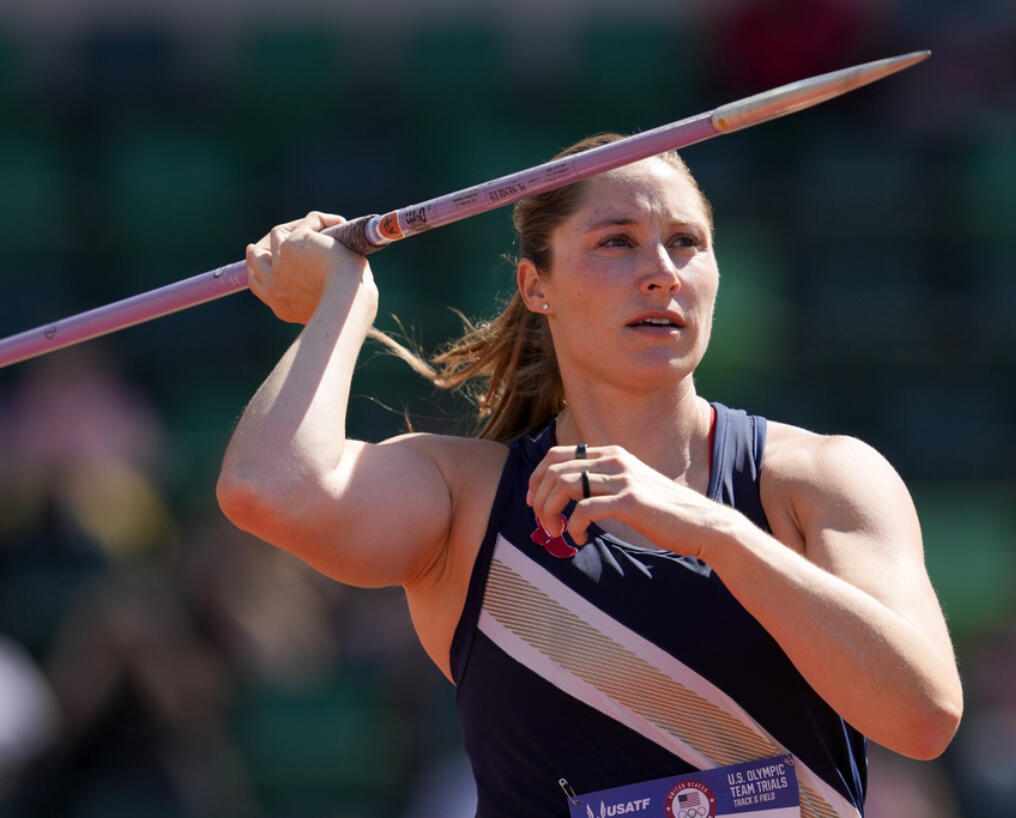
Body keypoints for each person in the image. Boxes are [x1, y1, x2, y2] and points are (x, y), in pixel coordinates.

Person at [216, 134, 963, 818]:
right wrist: (344, 301)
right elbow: (267, 488)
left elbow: (923, 715)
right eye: (617, 243)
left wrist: (715, 532)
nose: (662, 275)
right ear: (535, 285)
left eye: (686, 244)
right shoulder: (467, 501)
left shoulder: (816, 480)